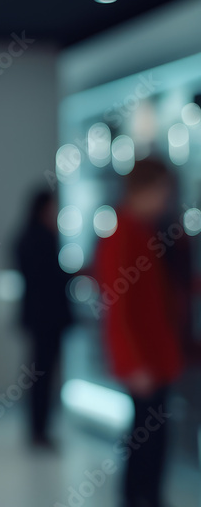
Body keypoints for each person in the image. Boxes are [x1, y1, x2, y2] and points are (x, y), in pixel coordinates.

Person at [93, 157, 184, 507]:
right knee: (146, 434)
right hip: (144, 356)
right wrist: (131, 361)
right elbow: (118, 306)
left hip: (156, 351)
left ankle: (145, 495)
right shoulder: (123, 232)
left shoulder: (146, 230)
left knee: (153, 433)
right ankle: (138, 496)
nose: (165, 198)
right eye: (161, 190)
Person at [12, 188, 73, 450]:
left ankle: (38, 430)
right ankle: (39, 431)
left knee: (39, 375)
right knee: (42, 376)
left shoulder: (26, 236)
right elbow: (49, 279)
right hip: (46, 317)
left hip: (38, 317)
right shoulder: (41, 237)